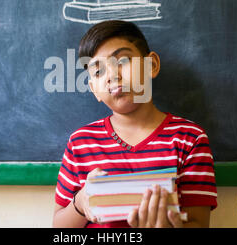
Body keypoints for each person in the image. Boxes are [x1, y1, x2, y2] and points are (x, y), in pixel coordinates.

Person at [52, 20, 217, 228]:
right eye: (98, 71)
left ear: (152, 65)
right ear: (94, 89)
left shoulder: (189, 138)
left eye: (122, 61)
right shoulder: (80, 143)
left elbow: (199, 223)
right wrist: (80, 202)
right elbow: (59, 227)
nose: (113, 75)